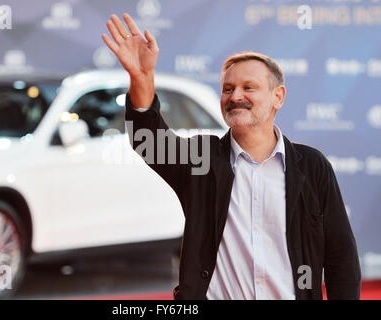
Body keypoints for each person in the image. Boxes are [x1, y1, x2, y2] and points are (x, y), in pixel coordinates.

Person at [102, 13, 361, 300]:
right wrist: (141, 77)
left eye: (248, 87)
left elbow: (341, 258)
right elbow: (148, 141)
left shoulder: (312, 166)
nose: (235, 96)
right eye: (228, 89)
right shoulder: (200, 158)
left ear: (278, 96)